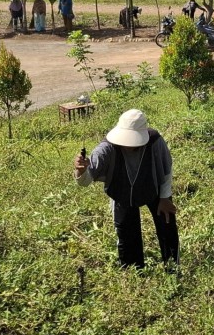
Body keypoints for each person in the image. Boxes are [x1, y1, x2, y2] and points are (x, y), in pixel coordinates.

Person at [73, 109, 178, 268]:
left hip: (153, 189)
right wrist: (80, 170)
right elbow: (85, 181)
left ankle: (172, 267)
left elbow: (166, 169)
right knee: (128, 238)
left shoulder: (155, 140)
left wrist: (164, 198)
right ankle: (135, 274)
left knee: (167, 226)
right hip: (122, 194)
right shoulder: (106, 149)